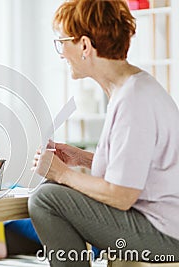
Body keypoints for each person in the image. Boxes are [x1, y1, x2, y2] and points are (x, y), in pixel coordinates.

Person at [29, 0, 179, 266]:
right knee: (52, 190)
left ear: (85, 45)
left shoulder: (133, 100)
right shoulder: (132, 88)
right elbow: (136, 167)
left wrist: (62, 173)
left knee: (46, 198)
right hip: (162, 227)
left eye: (63, 41)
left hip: (166, 236)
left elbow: (121, 195)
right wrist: (81, 159)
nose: (61, 52)